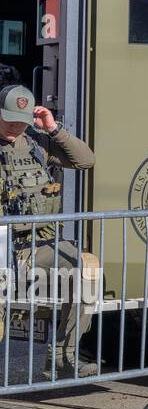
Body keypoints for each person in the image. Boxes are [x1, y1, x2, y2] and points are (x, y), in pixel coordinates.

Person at [0, 84, 99, 377]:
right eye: (9, 118)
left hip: (36, 247)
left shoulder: (36, 145)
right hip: (1, 250)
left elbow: (86, 160)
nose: (16, 125)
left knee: (88, 269)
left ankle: (62, 357)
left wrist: (53, 129)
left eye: (21, 119)